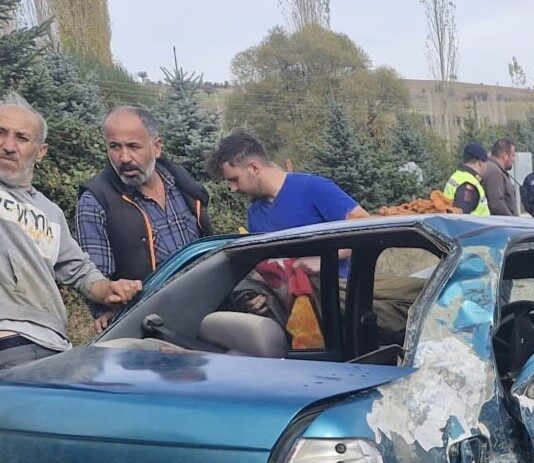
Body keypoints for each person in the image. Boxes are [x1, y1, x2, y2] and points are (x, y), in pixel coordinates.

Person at [0, 95, 141, 369]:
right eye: (0, 133)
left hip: (55, 343)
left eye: (21, 138)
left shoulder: (50, 212)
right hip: (9, 340)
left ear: (41, 152)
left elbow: (79, 270)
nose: (7, 146)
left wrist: (108, 289)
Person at [77, 106, 213, 329]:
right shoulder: (96, 200)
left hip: (208, 306)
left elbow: (211, 247)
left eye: (133, 146)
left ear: (156, 146)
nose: (124, 157)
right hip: (152, 322)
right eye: (114, 147)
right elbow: (93, 275)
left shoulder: (183, 184)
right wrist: (105, 309)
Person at [207, 129, 369, 235]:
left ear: (254, 168)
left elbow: (364, 226)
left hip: (335, 286)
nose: (232, 188)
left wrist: (319, 262)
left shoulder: (315, 188)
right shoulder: (254, 214)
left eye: (235, 179)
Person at [442, 143, 490, 216]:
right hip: (476, 227)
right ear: (480, 162)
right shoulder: (469, 184)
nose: (486, 166)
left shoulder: (457, 176)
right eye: (486, 162)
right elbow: (462, 217)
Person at [481, 138, 518, 216]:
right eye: (513, 155)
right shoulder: (495, 173)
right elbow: (496, 204)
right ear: (505, 156)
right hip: (502, 224)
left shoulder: (490, 168)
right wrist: (513, 221)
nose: (514, 160)